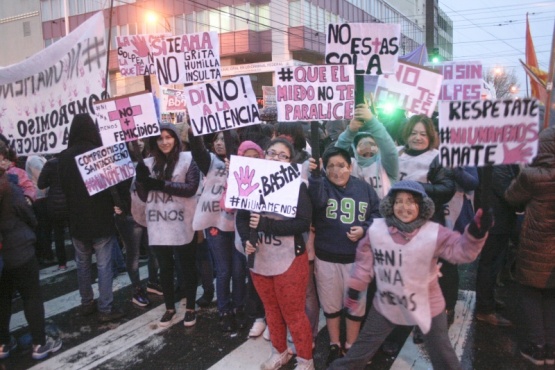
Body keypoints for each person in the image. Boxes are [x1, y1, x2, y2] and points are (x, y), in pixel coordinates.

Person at [328, 180, 491, 370]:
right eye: (399, 201)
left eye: (411, 201)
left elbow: (461, 252)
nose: (404, 207)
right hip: (388, 302)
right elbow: (364, 265)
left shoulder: (433, 232)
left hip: (427, 304)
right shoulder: (377, 231)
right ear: (391, 204)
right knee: (360, 351)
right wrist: (355, 292)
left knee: (443, 353)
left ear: (421, 206)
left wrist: (475, 234)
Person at [237, 138, 314, 370]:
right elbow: (241, 217)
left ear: (291, 161)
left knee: (294, 313)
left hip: (289, 258)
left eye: (283, 155)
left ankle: (305, 360)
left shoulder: (298, 185)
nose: (276, 158)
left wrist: (265, 225)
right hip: (260, 258)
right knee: (271, 310)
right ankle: (280, 352)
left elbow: (302, 223)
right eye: (272, 153)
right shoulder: (250, 181)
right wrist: (244, 239)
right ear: (264, 156)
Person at [308, 146, 381, 365]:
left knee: (355, 305)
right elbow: (317, 202)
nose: (336, 171)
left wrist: (364, 229)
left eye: (341, 165)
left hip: (356, 260)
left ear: (350, 166)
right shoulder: (321, 186)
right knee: (330, 305)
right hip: (326, 257)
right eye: (330, 166)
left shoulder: (364, 189)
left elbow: (378, 214)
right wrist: (316, 176)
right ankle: (334, 343)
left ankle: (351, 344)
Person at [58, 113, 125, 323]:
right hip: (101, 218)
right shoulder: (100, 154)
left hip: (77, 220)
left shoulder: (64, 157)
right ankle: (106, 308)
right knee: (105, 265)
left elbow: (63, 188)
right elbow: (112, 186)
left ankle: (86, 303)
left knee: (83, 264)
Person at [396, 114, 456, 343]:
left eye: (422, 133)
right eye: (413, 133)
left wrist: (414, 188)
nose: (418, 137)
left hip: (428, 224)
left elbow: (447, 187)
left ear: (430, 136)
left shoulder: (437, 158)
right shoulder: (397, 153)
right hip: (400, 225)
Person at [135, 123, 200, 327]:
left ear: (176, 139)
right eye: (160, 138)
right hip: (158, 222)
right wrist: (140, 181)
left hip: (183, 222)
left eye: (168, 137)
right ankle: (170, 307)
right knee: (164, 267)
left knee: (187, 266)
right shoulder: (147, 163)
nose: (164, 142)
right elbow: (145, 196)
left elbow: (191, 188)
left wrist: (160, 184)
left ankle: (190, 307)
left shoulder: (188, 159)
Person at [505, 126, 555, 366]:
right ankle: (551, 346)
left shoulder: (533, 175)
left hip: (537, 245)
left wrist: (522, 171)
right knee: (551, 294)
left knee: (531, 292)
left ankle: (536, 346)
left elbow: (511, 196)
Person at [0, 170, 62, 360]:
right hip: (19, 250)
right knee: (31, 297)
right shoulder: (9, 189)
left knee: (2, 299)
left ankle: (3, 343)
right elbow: (28, 214)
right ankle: (40, 343)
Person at [190, 130, 247, 332]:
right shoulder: (210, 162)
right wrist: (193, 129)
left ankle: (239, 307)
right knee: (223, 271)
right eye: (217, 140)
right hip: (217, 225)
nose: (220, 143)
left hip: (241, 227)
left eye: (225, 139)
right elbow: (197, 149)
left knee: (239, 272)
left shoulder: (246, 161)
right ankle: (224, 310)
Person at [474, 165, 518, 327]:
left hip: (498, 221)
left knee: (493, 265)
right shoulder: (498, 163)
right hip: (495, 222)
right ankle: (485, 310)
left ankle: (488, 300)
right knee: (489, 265)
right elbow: (510, 194)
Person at [335, 103, 398, 199]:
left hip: (382, 212)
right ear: (355, 149)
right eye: (362, 145)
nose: (367, 148)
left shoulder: (387, 166)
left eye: (372, 145)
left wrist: (372, 121)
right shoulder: (350, 165)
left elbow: (390, 151)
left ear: (378, 147)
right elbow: (335, 156)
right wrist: (350, 131)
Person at [37, 155, 70, 270]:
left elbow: (41, 184)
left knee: (58, 234)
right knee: (75, 231)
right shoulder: (69, 160)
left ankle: (62, 263)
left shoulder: (50, 164)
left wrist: (51, 180)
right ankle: (81, 257)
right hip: (70, 200)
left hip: (54, 203)